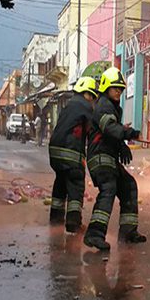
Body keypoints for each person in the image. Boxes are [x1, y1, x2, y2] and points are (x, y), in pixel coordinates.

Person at [83, 67, 144, 251]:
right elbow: (109, 128)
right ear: (105, 88)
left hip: (108, 156)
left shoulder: (112, 106)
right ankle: (94, 234)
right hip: (100, 157)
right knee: (109, 188)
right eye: (115, 88)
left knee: (129, 186)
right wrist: (128, 133)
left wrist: (122, 146)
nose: (119, 92)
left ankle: (128, 232)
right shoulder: (103, 105)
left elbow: (111, 133)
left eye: (121, 89)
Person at [48, 77, 98, 232]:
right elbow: (93, 131)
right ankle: (73, 223)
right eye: (93, 97)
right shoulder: (86, 107)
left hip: (54, 152)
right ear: (88, 94)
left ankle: (55, 219)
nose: (93, 101)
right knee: (76, 184)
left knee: (61, 183)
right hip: (70, 152)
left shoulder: (69, 105)